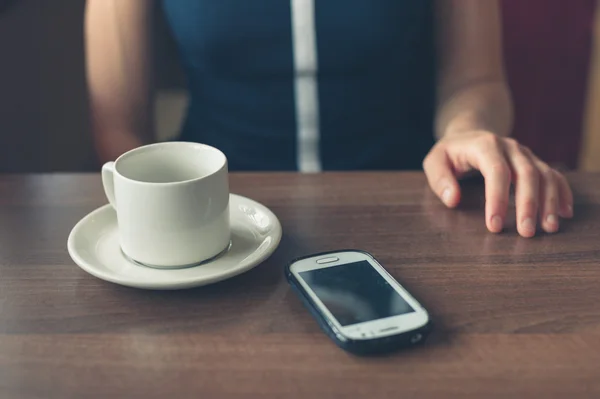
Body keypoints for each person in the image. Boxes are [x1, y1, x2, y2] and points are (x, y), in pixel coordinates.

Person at [84, 0, 573, 238]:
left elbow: (475, 81)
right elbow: (118, 123)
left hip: (416, 216)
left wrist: (466, 130)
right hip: (216, 222)